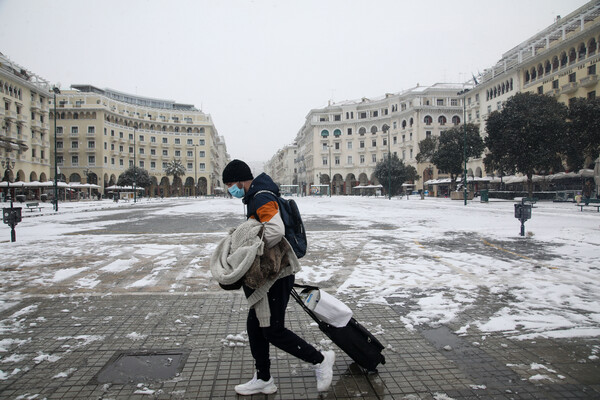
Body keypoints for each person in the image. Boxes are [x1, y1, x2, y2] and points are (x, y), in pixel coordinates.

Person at [221, 159, 335, 396]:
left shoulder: (261, 197)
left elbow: (275, 230)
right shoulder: (257, 195)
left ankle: (320, 360)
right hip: (274, 273)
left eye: (231, 183)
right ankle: (263, 378)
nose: (229, 189)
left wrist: (250, 251)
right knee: (255, 327)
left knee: (272, 329)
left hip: (277, 273)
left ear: (242, 180)